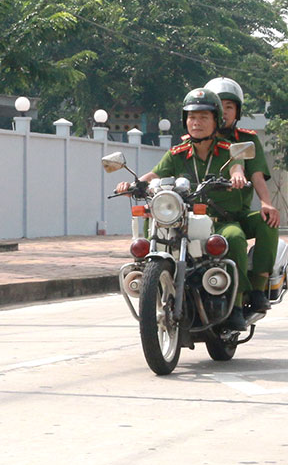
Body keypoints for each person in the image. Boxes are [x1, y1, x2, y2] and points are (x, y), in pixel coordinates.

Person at [116, 88, 250, 330]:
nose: (196, 123)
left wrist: (238, 176)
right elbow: (153, 174)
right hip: (183, 220)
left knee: (235, 238)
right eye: (191, 117)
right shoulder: (177, 153)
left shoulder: (228, 149)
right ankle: (151, 283)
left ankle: (237, 305)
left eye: (203, 117)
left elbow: (236, 168)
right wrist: (132, 184)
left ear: (216, 121)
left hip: (219, 220)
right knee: (153, 220)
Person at [205, 76, 278, 313]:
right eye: (219, 107)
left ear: (237, 111)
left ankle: (257, 287)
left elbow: (255, 174)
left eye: (230, 107)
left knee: (267, 221)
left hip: (237, 215)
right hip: (201, 217)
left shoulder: (247, 140)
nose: (224, 112)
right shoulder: (197, 140)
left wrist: (267, 203)